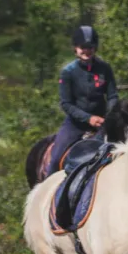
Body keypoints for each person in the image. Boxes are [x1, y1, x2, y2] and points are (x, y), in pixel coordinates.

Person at [49, 25, 118, 173]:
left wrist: (110, 116)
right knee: (55, 160)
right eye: (83, 47)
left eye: (90, 47)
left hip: (102, 122)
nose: (86, 51)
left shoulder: (105, 68)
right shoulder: (68, 72)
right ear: (76, 48)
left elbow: (112, 96)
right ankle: (48, 191)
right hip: (75, 124)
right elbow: (66, 104)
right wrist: (88, 118)